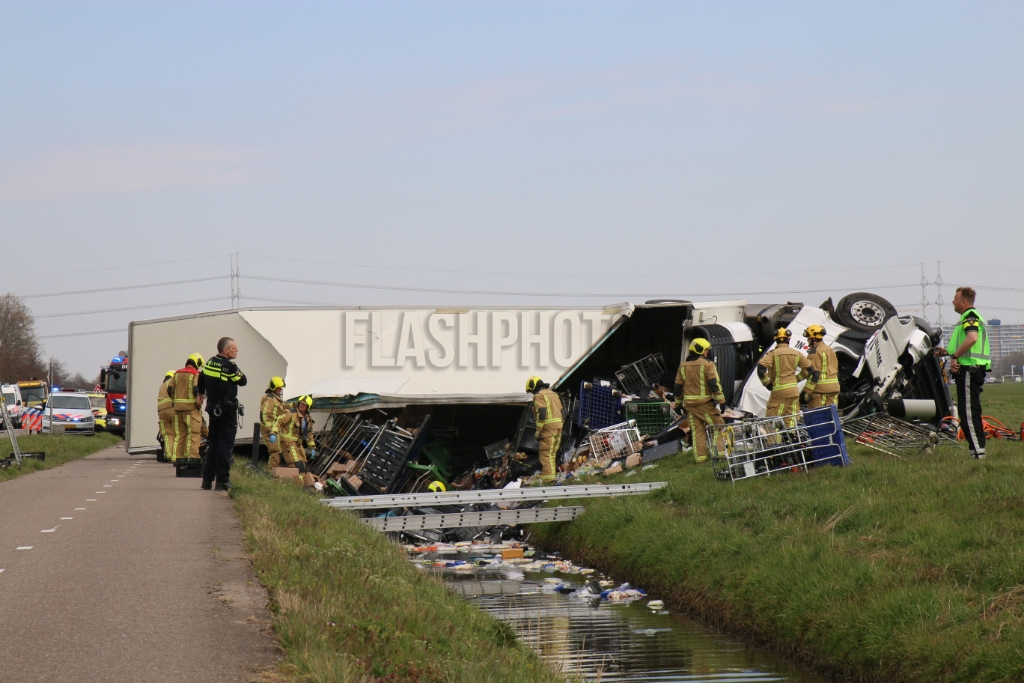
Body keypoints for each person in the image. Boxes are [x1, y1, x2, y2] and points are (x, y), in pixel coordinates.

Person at [936, 286, 990, 459]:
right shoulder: (966, 319)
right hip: (969, 368)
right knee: (970, 411)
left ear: (964, 302)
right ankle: (976, 451)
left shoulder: (970, 317)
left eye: (955, 298)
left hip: (969, 370)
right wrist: (949, 353)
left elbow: (972, 338)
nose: (953, 301)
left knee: (968, 414)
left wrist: (956, 356)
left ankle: (978, 454)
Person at [198, 337, 247, 490]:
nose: (236, 350)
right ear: (225, 350)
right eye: (234, 348)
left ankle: (207, 480)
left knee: (214, 444)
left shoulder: (210, 362)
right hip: (227, 411)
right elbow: (243, 381)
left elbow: (201, 377)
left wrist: (201, 392)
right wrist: (234, 370)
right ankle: (222, 481)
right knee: (225, 446)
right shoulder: (229, 367)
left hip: (213, 409)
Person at [673, 338, 726, 464]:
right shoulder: (708, 364)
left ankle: (700, 459)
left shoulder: (682, 366)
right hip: (705, 404)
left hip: (690, 406)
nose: (707, 353)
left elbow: (678, 387)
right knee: (718, 426)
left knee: (697, 432)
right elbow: (714, 384)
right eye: (706, 350)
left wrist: (678, 404)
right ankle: (719, 455)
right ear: (700, 350)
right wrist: (721, 400)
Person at [757, 328, 811, 428]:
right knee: (791, 421)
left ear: (776, 340)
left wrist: (767, 384)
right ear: (788, 339)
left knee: (773, 422)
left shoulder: (772, 354)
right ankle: (791, 440)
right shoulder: (796, 353)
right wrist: (795, 379)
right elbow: (809, 369)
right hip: (793, 392)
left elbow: (761, 368)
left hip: (779, 393)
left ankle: (774, 443)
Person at [526, 376, 563, 483]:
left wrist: (539, 429)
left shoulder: (538, 396)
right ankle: (551, 476)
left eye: (531, 391)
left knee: (546, 454)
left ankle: (548, 480)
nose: (532, 394)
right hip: (558, 426)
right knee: (552, 453)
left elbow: (542, 411)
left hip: (548, 428)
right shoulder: (553, 394)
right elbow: (562, 411)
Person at [171, 354, 204, 464]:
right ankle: (193, 458)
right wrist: (198, 403)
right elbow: (196, 390)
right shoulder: (195, 374)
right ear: (196, 363)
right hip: (191, 409)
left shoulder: (176, 373)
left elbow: (170, 389)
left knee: (180, 435)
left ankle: (177, 458)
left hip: (178, 410)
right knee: (193, 435)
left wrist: (174, 401)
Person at [798, 325, 840, 409]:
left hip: (820, 391)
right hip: (834, 389)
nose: (807, 340)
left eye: (809, 338)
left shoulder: (814, 353)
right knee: (831, 416)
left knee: (817, 417)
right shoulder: (830, 350)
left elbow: (814, 373)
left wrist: (807, 391)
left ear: (814, 339)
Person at [270, 395, 316, 469]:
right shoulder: (290, 413)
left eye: (304, 404)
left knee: (304, 465)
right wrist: (273, 433)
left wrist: (312, 447)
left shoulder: (308, 419)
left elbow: (309, 434)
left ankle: (304, 480)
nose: (301, 405)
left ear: (308, 407)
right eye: (300, 403)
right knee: (297, 465)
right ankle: (297, 480)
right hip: (288, 443)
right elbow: (278, 422)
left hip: (298, 443)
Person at [261, 377, 289, 468]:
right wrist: (270, 431)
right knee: (275, 453)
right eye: (279, 388)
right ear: (274, 388)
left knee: (277, 452)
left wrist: (296, 404)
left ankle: (270, 473)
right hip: (269, 431)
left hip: (274, 430)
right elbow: (264, 416)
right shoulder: (269, 399)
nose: (280, 390)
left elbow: (283, 407)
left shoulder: (276, 398)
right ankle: (269, 474)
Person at [156, 370, 176, 462]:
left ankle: (169, 455)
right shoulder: (173, 382)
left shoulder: (161, 386)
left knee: (168, 434)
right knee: (178, 433)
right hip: (173, 410)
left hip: (162, 413)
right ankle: (176, 456)